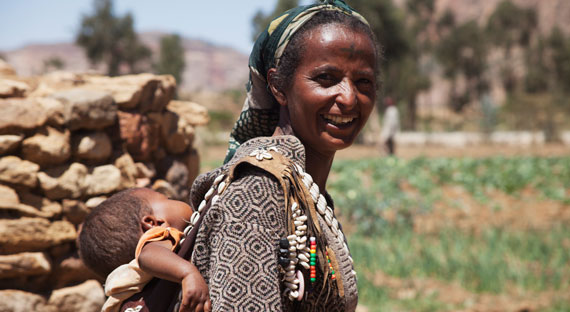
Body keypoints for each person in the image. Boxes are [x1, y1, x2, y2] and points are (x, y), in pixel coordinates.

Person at [186, 1, 380, 311]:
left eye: (363, 82)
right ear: (278, 86)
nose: (348, 98)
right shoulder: (257, 193)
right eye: (326, 78)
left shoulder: (302, 191)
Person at [78, 188, 211, 312]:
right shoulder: (160, 235)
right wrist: (188, 274)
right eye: (168, 199)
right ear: (152, 222)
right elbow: (147, 255)